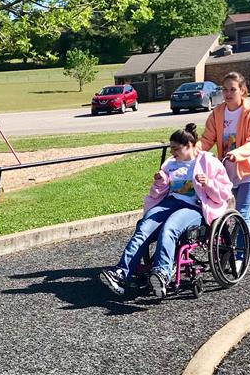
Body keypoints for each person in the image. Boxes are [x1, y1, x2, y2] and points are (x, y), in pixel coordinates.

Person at [99, 123, 232, 298]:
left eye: (176, 149)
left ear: (190, 146)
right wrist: (160, 181)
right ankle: (121, 274)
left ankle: (162, 272)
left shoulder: (209, 162)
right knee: (143, 228)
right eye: (171, 149)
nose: (172, 153)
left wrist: (208, 183)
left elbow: (224, 193)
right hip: (169, 203)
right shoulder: (170, 165)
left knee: (169, 229)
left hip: (194, 207)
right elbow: (157, 193)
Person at [197, 71, 250, 262]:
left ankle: (240, 255)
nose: (227, 93)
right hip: (230, 173)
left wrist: (237, 153)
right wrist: (191, 154)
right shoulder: (217, 112)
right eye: (224, 89)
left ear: (242, 90)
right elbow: (207, 139)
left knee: (242, 213)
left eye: (232, 89)